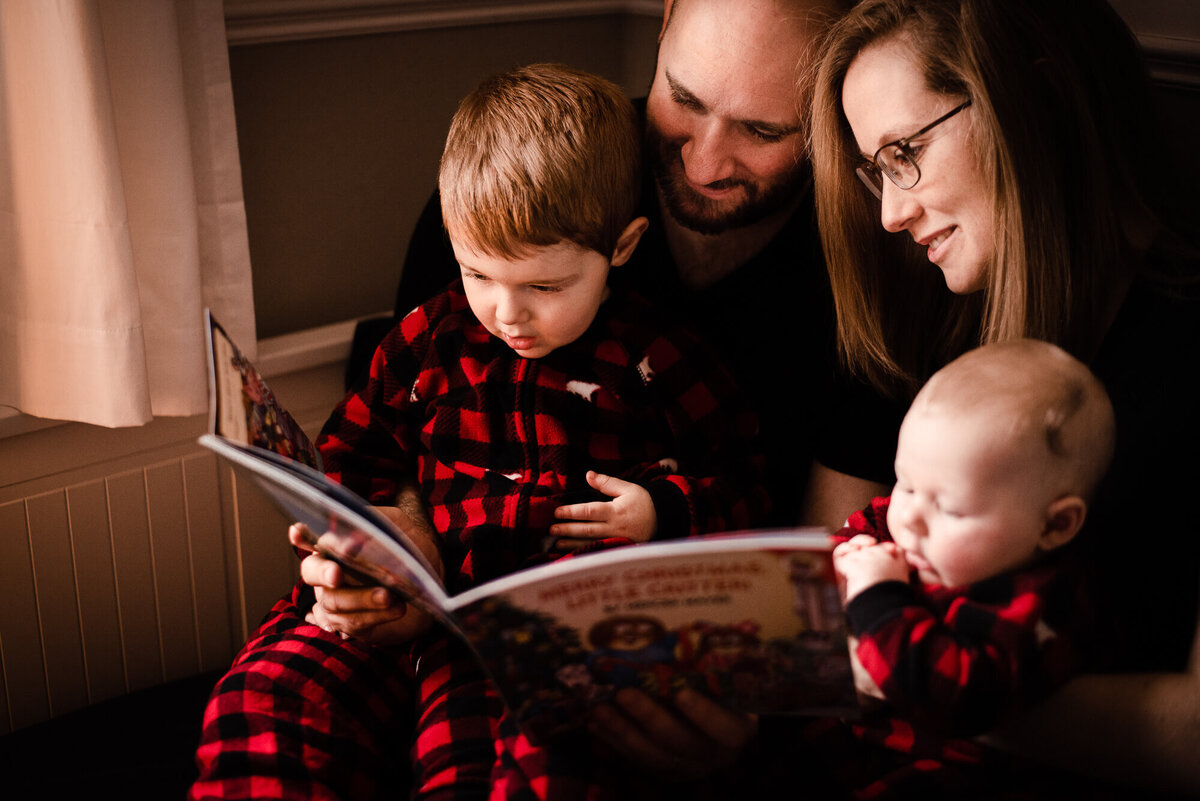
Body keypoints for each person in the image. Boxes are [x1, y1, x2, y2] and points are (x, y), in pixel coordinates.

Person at [305, 0, 851, 789]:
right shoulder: (510, 182)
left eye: (765, 132)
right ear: (662, 21)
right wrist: (399, 544)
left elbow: (824, 564)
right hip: (451, 602)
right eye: (685, 101)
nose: (703, 162)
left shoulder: (860, 268)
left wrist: (756, 720)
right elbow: (392, 434)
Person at [191, 62, 770, 801]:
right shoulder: (429, 337)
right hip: (404, 598)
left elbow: (745, 483)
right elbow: (351, 453)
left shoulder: (660, 359)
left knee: (492, 765)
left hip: (532, 641)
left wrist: (666, 509)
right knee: (263, 704)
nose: (506, 313)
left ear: (621, 249)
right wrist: (348, 546)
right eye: (478, 273)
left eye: (546, 285)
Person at [807, 0, 1200, 792]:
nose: (889, 212)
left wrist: (907, 673)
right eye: (876, 169)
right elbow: (816, 621)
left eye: (905, 151)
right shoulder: (921, 330)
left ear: (1038, 105)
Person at [823, 339, 1115, 797]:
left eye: (952, 509)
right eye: (906, 482)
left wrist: (876, 597)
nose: (911, 516)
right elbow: (868, 521)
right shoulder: (914, 527)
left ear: (1055, 524)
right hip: (856, 736)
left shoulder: (1037, 606)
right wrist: (842, 555)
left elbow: (950, 694)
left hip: (944, 767)